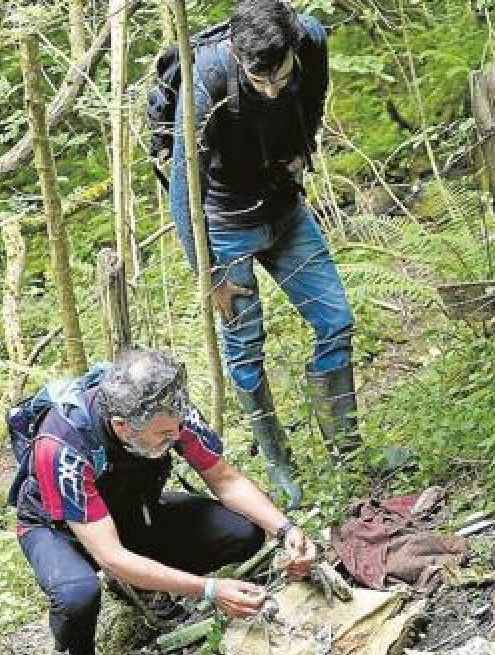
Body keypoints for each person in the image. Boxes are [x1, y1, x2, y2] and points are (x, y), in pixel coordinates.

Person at [14, 349, 317, 655]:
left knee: (242, 531)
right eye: (163, 435)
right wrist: (209, 590)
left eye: (175, 428)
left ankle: (146, 585)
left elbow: (224, 479)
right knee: (77, 594)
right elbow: (110, 555)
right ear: (122, 427)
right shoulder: (62, 446)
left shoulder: (170, 411)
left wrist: (286, 529)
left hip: (128, 510)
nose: (175, 437)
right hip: (58, 530)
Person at [169, 0, 359, 509]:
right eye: (260, 80)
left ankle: (349, 451)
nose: (272, 89)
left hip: (285, 209)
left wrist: (305, 150)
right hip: (227, 227)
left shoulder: (311, 40)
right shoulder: (206, 78)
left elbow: (313, 97)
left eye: (279, 76)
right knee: (245, 352)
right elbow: (183, 192)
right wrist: (209, 274)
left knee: (336, 320)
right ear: (237, 54)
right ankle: (281, 470)